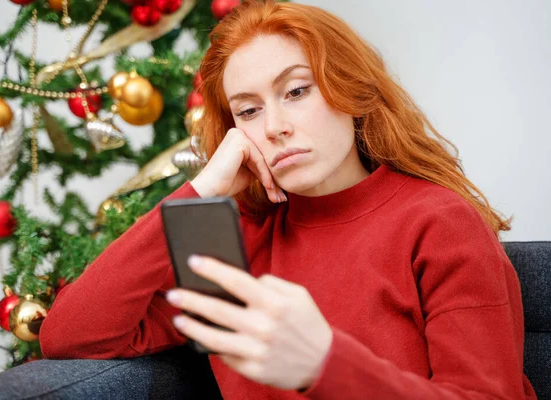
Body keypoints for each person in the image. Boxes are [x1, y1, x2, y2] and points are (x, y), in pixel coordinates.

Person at [39, 1, 537, 399]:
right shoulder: (236, 245)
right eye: (248, 111)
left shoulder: (440, 222)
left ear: (350, 90)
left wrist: (325, 365)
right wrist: (199, 192)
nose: (274, 126)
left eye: (296, 91)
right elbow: (71, 337)